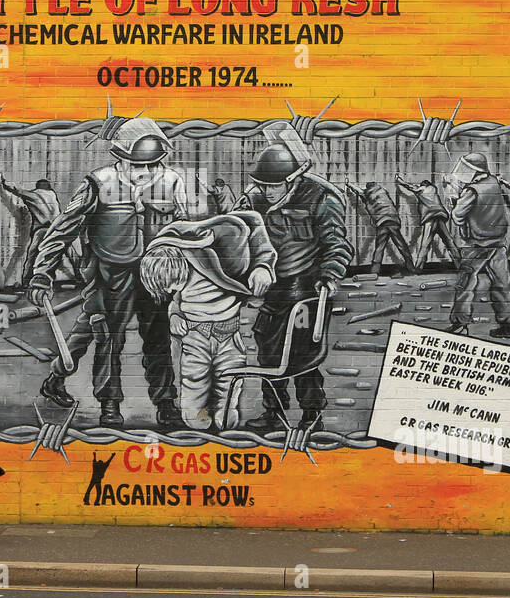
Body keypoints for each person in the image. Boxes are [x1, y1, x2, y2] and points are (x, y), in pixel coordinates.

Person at [28, 117, 189, 429]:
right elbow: (63, 230)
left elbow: (184, 232)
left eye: (153, 165)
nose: (145, 173)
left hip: (155, 279)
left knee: (157, 340)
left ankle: (167, 404)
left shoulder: (172, 183)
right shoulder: (97, 184)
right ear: (119, 159)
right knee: (107, 338)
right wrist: (42, 272)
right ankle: (110, 405)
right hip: (109, 276)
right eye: (136, 165)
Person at [239, 141, 353, 433]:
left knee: (304, 355)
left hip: (307, 287)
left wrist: (330, 276)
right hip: (273, 287)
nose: (267, 192)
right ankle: (273, 414)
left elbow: (336, 243)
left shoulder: (320, 199)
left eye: (273, 186)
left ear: (293, 179)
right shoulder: (254, 199)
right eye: (262, 185)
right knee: (267, 351)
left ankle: (311, 416)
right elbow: (236, 229)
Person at [140, 211, 276, 431]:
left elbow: (243, 279)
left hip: (230, 338)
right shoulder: (180, 283)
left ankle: (225, 413)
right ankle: (201, 417)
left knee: (229, 382)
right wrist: (174, 317)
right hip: (195, 339)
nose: (169, 290)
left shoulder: (218, 267)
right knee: (194, 387)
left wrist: (259, 271)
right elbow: (175, 304)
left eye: (170, 284)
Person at [446, 153, 510, 339]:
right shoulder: (493, 183)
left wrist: (454, 196)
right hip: (498, 242)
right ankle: (506, 325)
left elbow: (457, 215)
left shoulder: (472, 190)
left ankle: (460, 324)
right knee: (502, 284)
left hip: (476, 244)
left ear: (473, 170)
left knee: (466, 284)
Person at [351, 180, 416, 276]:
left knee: (380, 247)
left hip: (382, 222)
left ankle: (375, 270)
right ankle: (411, 267)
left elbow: (358, 191)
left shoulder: (367, 195)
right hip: (393, 220)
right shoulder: (383, 191)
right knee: (401, 244)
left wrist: (349, 184)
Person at [397, 176, 462, 269]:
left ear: (423, 185)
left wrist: (400, 181)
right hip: (440, 216)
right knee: (449, 241)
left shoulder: (421, 190)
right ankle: (460, 264)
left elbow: (410, 187)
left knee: (425, 243)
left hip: (430, 218)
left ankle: (418, 267)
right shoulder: (433, 189)